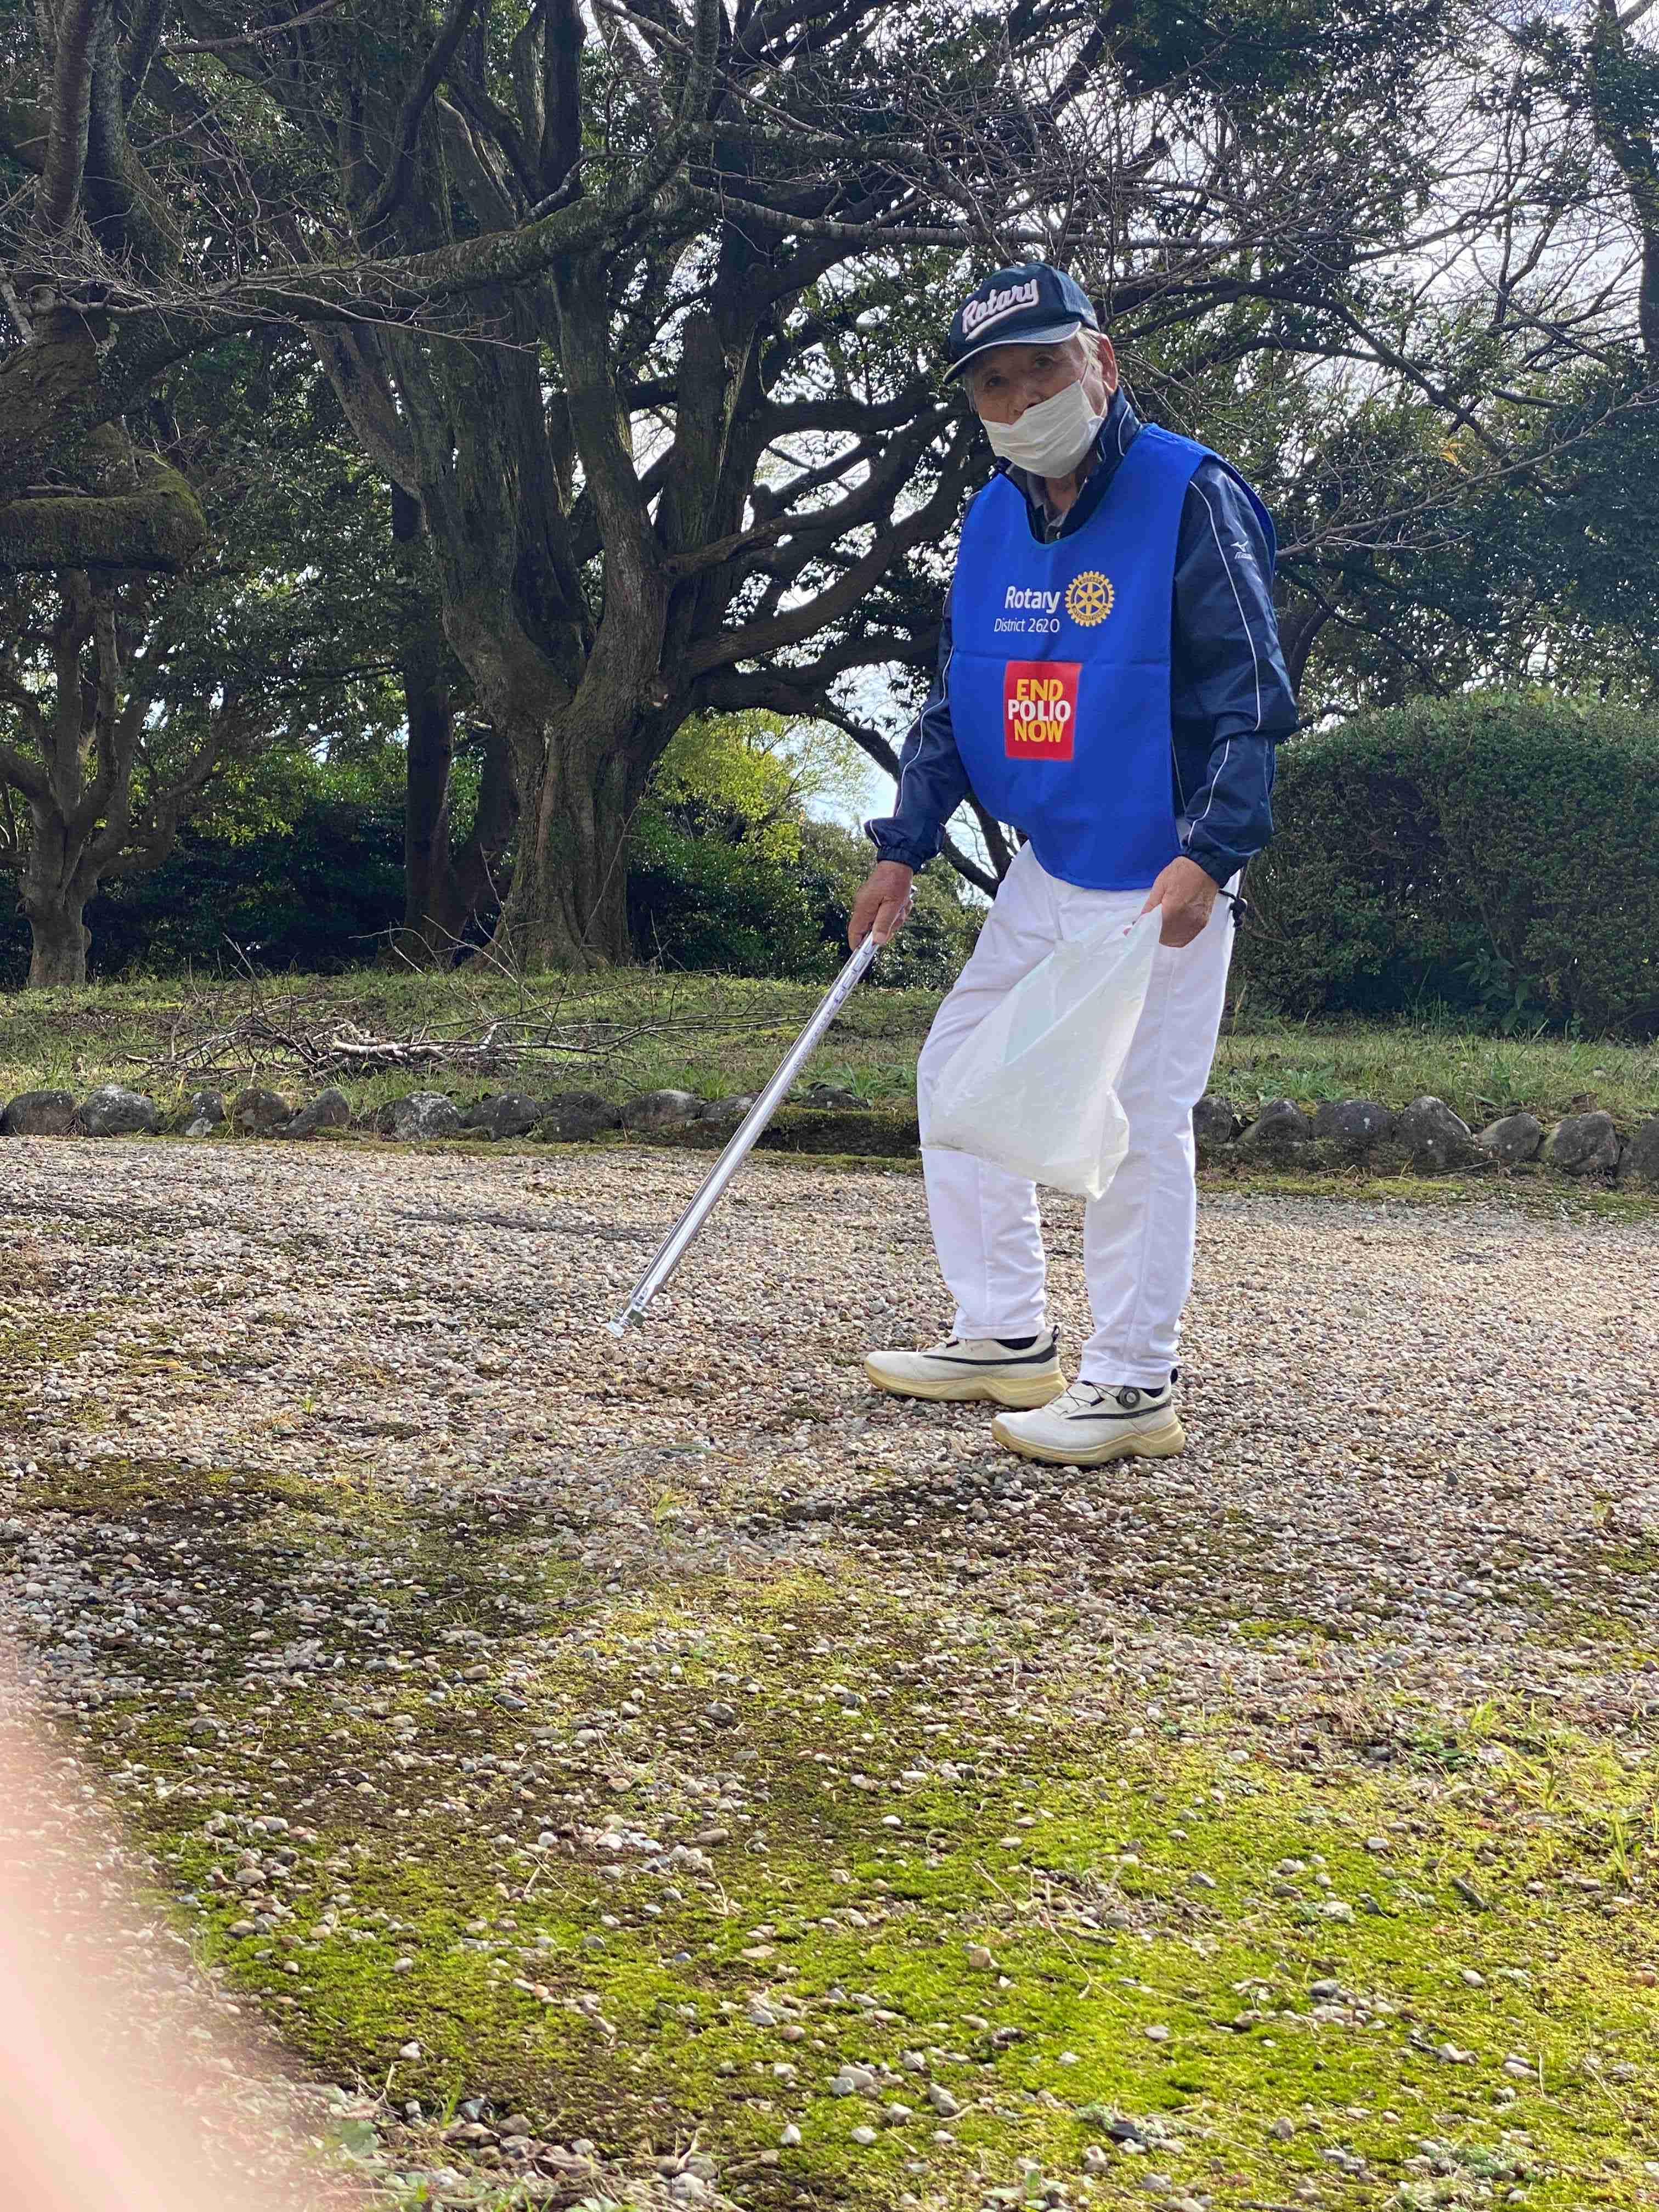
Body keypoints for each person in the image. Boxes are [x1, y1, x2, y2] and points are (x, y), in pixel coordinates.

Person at [853, 262, 1296, 1469]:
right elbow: (957, 701)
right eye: (995, 383)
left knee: (1139, 1120)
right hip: (1049, 866)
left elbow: (1251, 699)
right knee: (957, 1070)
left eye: (1043, 366)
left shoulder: (1190, 493)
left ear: (1100, 359)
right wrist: (902, 847)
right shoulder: (993, 519)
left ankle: (1133, 1380)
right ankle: (1005, 1332)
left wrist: (1213, 853)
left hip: (1162, 875)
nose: (1023, 398)